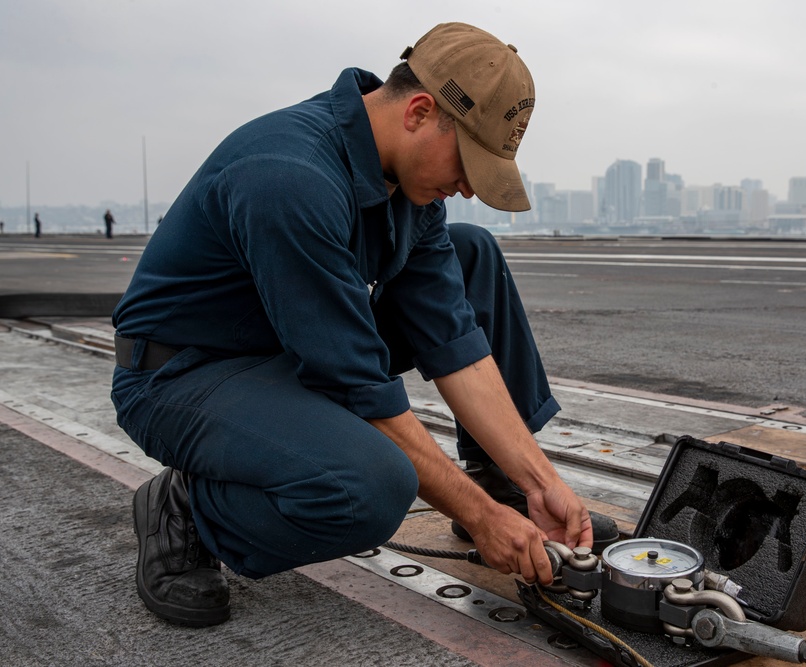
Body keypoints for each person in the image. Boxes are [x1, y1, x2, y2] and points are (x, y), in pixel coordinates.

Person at [111, 22, 618, 628]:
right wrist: (480, 520)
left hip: (284, 348)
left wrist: (539, 482)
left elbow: (454, 343)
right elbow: (362, 393)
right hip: (184, 374)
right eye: (467, 164)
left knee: (471, 252)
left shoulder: (407, 184)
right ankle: (190, 508)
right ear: (420, 112)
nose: (466, 188)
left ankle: (500, 483)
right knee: (371, 485)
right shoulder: (289, 176)